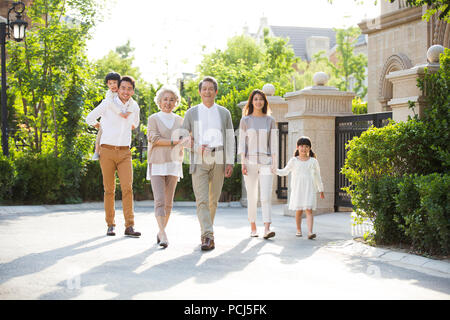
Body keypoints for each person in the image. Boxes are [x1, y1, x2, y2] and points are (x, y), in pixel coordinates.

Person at [181, 76, 235, 251]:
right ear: (199, 92)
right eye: (204, 88)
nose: (207, 91)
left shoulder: (224, 112)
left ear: (216, 91)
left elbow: (230, 138)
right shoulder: (192, 112)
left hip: (219, 156)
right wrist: (196, 147)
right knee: (202, 200)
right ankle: (208, 236)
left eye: (211, 88)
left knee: (213, 201)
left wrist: (230, 162)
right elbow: (182, 137)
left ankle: (206, 231)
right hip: (200, 158)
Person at [86, 76, 141, 237]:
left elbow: (135, 123)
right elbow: (89, 118)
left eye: (129, 88)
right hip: (107, 151)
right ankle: (110, 225)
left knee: (127, 189)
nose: (126, 91)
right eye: (123, 88)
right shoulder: (108, 104)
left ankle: (129, 226)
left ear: (132, 90)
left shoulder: (135, 106)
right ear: (118, 88)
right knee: (109, 190)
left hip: (125, 152)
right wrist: (100, 125)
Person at [147, 85, 187, 248]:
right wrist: (174, 142)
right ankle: (163, 233)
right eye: (165, 99)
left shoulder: (180, 120)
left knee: (169, 202)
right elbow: (154, 138)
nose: (168, 103)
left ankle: (161, 231)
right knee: (160, 200)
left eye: (172, 100)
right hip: (157, 163)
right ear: (159, 101)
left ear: (176, 102)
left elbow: (185, 140)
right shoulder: (153, 118)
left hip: (174, 163)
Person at [238, 89, 277, 239]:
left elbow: (273, 144)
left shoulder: (270, 120)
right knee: (252, 196)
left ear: (264, 101)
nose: (258, 101)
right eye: (255, 99)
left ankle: (267, 228)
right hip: (250, 162)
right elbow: (242, 144)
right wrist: (243, 163)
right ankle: (253, 226)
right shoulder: (245, 121)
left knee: (266, 196)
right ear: (251, 102)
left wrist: (274, 163)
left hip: (266, 162)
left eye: (261, 99)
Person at [274, 136, 324, 239]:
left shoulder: (313, 161)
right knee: (299, 210)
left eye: (306, 146)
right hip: (298, 190)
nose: (303, 148)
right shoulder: (294, 161)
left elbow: (317, 176)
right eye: (301, 146)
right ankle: (298, 230)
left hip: (309, 189)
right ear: (297, 147)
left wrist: (321, 189)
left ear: (309, 148)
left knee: (309, 210)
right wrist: (275, 170)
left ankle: (310, 232)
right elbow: (285, 171)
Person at [92, 72, 133, 160]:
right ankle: (96, 152)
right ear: (107, 85)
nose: (113, 85)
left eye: (115, 83)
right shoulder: (109, 94)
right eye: (110, 83)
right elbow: (110, 104)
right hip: (107, 120)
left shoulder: (122, 92)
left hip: (119, 122)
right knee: (100, 134)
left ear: (119, 82)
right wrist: (119, 112)